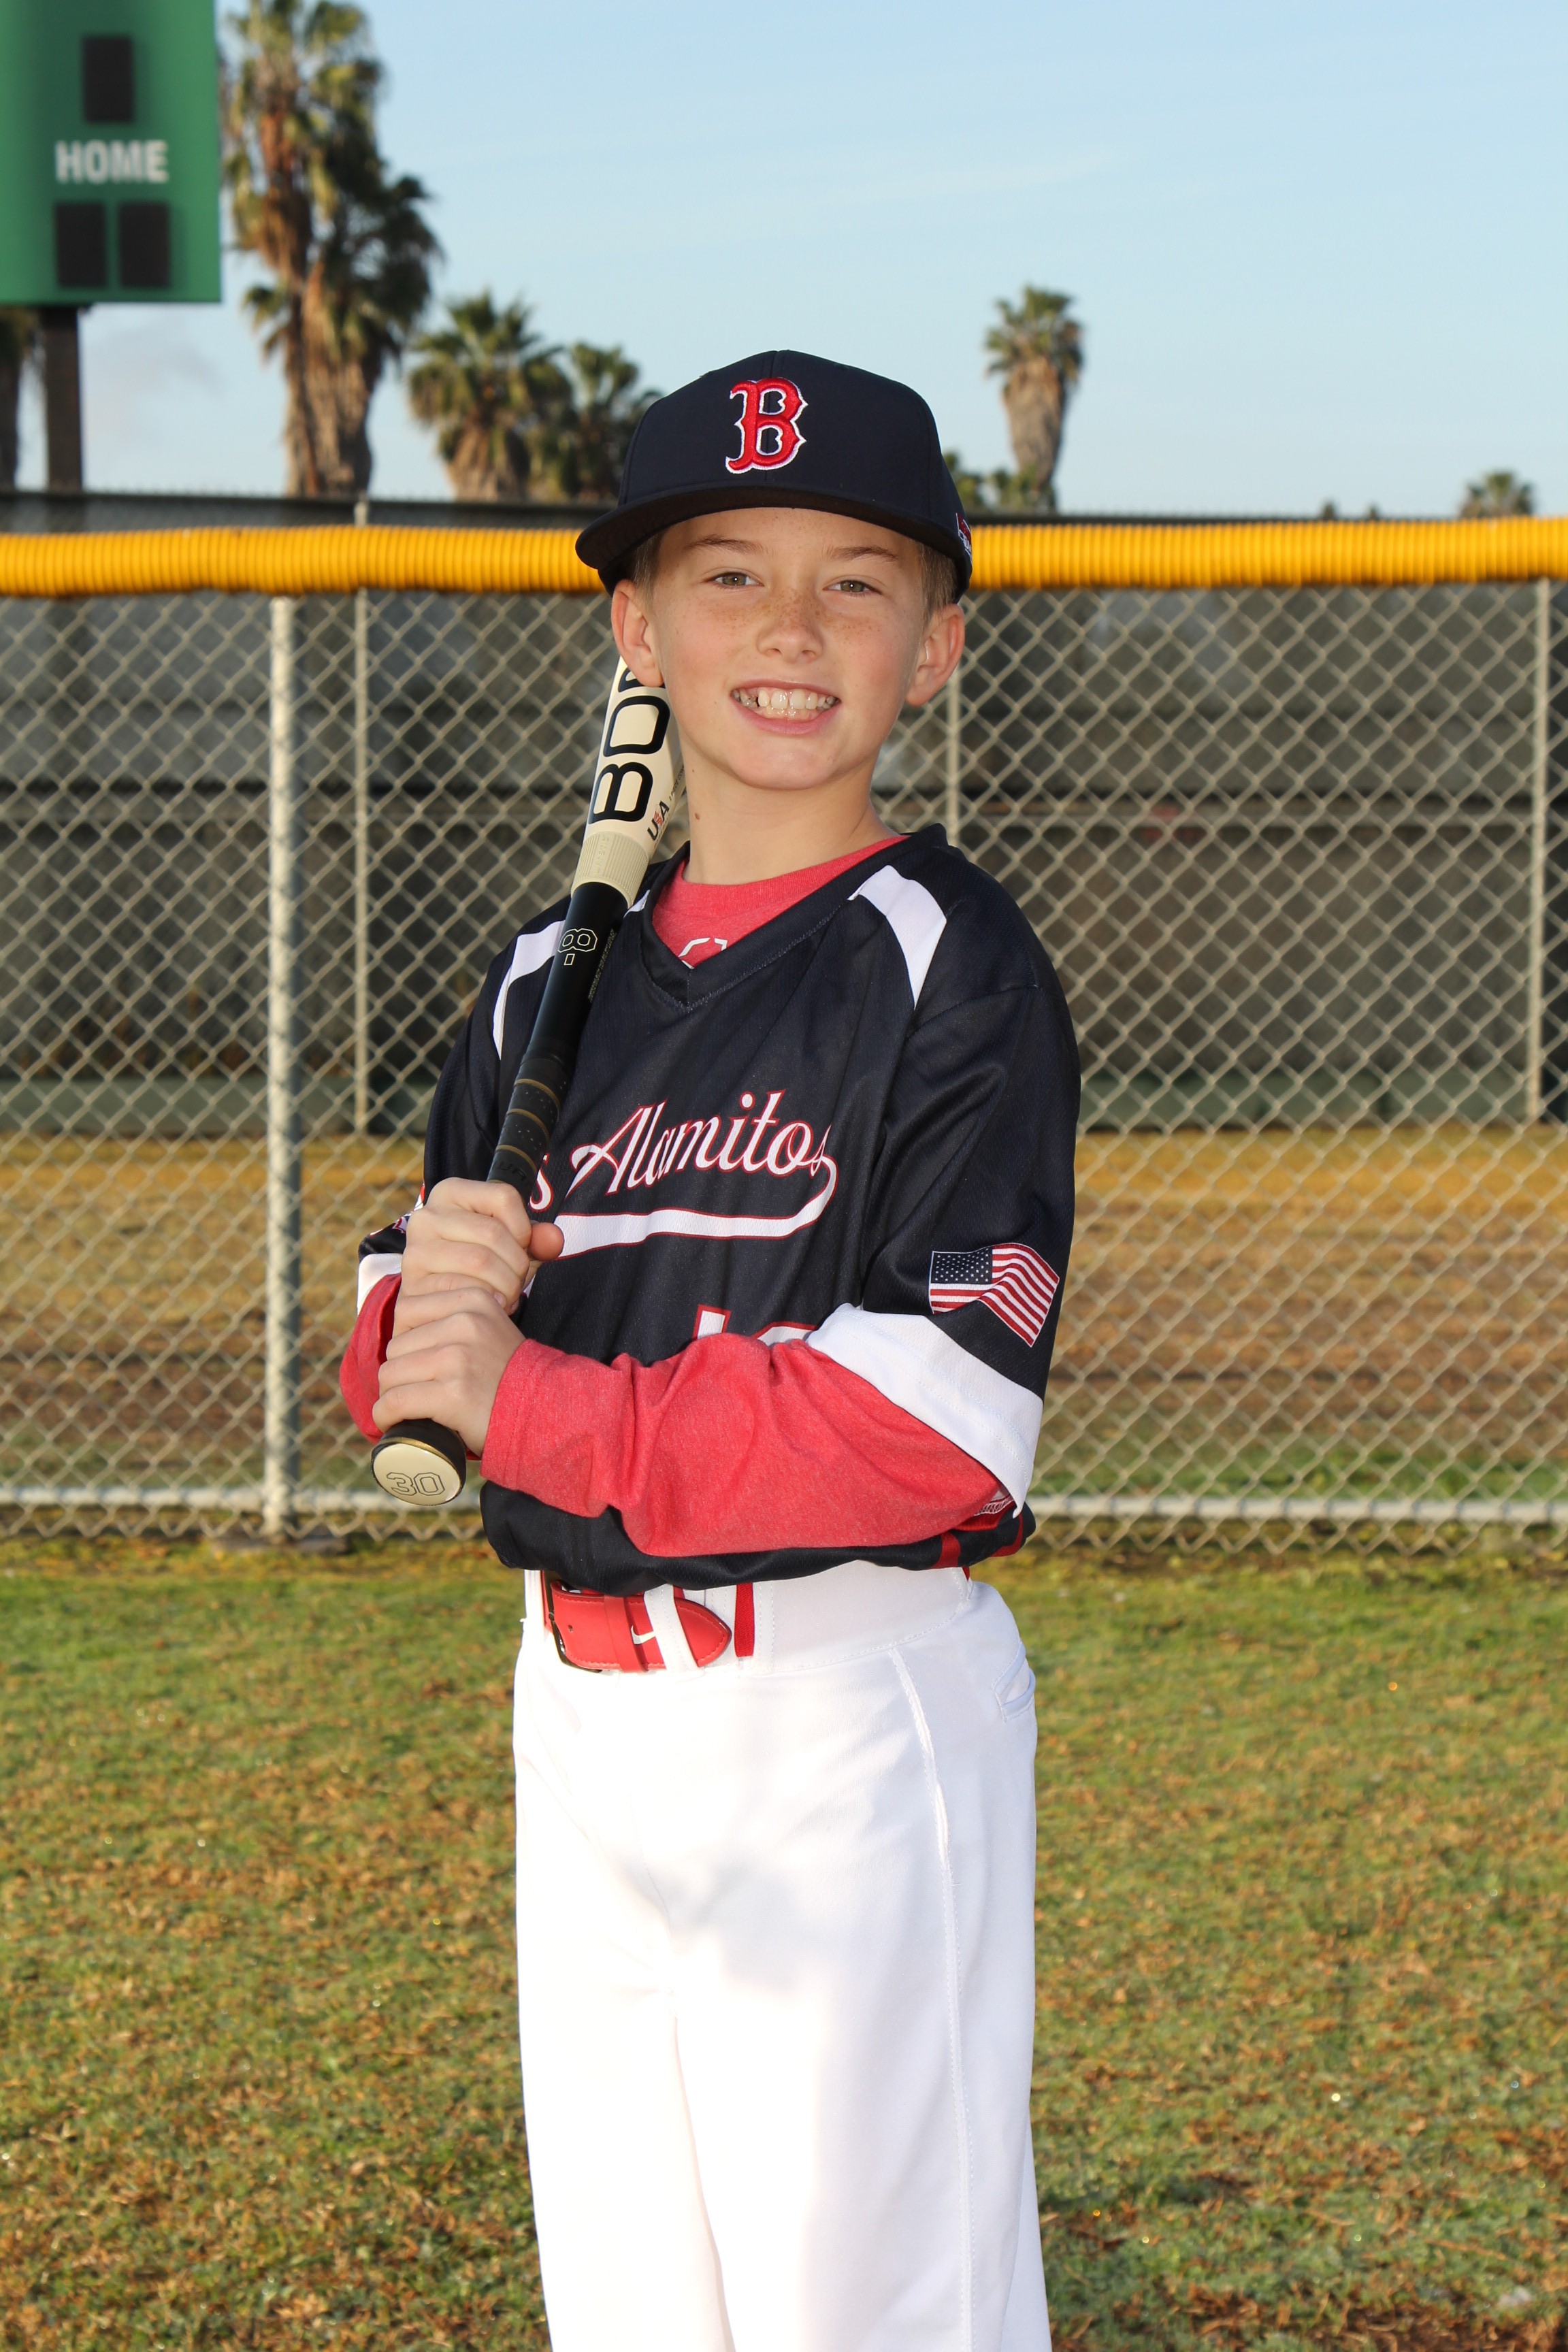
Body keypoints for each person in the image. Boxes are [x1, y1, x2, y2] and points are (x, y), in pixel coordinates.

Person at [339, 350, 1079, 2352]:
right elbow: (421, 1300)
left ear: (935, 649)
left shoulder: (952, 959)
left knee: (867, 2309)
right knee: (635, 2307)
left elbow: (930, 1421)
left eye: (858, 582)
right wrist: (413, 1313)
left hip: (831, 1711)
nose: (790, 628)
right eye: (729, 574)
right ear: (637, 631)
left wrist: (528, 1399)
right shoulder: (540, 980)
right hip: (578, 1712)